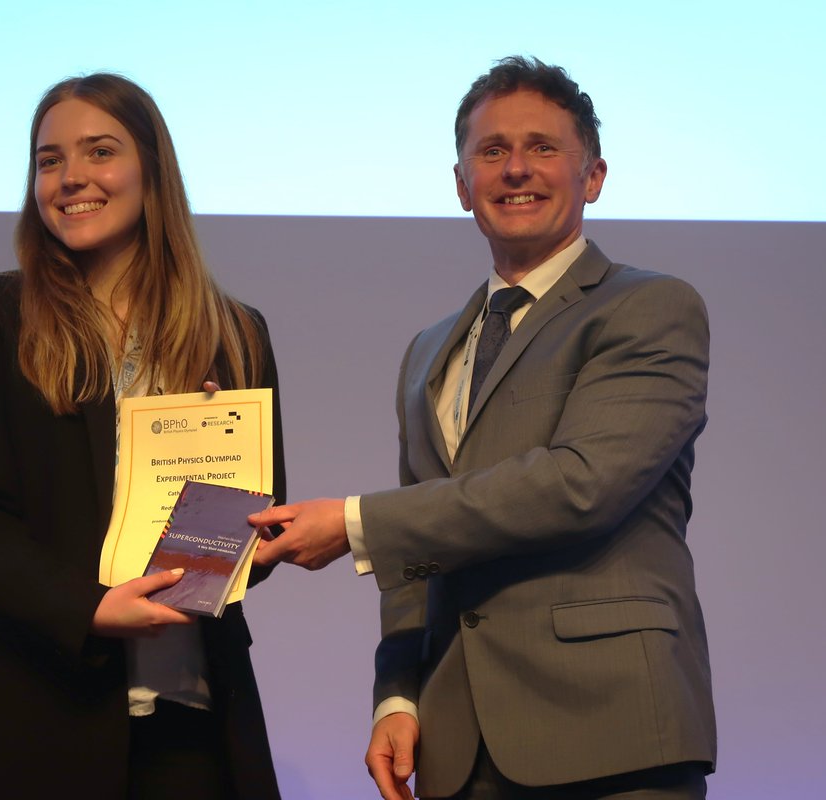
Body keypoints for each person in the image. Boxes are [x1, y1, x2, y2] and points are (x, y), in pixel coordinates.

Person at [252, 56, 716, 799]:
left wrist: (352, 522)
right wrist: (399, 695)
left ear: (592, 175)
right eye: (491, 151)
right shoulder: (429, 351)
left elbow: (581, 485)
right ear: (462, 184)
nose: (515, 170)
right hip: (457, 747)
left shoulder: (649, 307)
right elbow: (417, 556)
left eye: (542, 148)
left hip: (611, 734)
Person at [0, 73, 285, 799]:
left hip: (189, 714)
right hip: (32, 709)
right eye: (49, 159)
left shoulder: (234, 332)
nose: (71, 178)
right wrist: (88, 608)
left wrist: (221, 466)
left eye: (99, 152)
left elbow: (260, 538)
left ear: (152, 169)